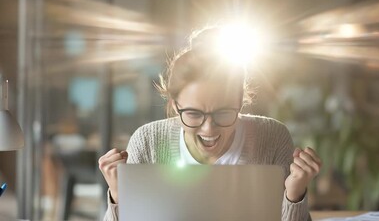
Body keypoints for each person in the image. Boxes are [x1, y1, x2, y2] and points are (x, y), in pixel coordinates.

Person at [98, 26, 322, 221]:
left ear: (240, 102)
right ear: (175, 105)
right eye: (194, 114)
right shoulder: (147, 142)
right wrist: (119, 196)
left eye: (223, 113)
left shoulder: (272, 137)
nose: (209, 129)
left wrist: (295, 194)